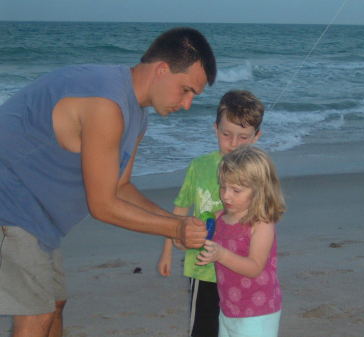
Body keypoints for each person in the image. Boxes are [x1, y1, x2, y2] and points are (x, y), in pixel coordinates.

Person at [0, 27, 216, 337]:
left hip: (36, 217)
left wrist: (174, 223)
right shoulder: (106, 104)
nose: (187, 104)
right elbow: (102, 205)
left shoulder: (137, 115)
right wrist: (175, 229)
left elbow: (119, 187)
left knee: (56, 302)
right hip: (9, 203)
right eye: (186, 90)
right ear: (162, 69)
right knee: (37, 314)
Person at [157, 90, 265, 337]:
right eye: (226, 134)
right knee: (203, 329)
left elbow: (267, 216)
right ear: (215, 128)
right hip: (203, 268)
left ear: (257, 136)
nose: (234, 143)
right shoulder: (200, 166)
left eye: (243, 137)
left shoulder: (259, 172)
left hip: (241, 268)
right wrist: (167, 251)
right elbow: (180, 208)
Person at [196, 145, 286, 337]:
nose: (226, 195)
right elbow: (208, 242)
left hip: (258, 311)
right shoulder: (220, 217)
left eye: (236, 190)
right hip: (228, 307)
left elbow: (254, 267)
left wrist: (220, 254)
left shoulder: (261, 224)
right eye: (223, 186)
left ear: (259, 191)